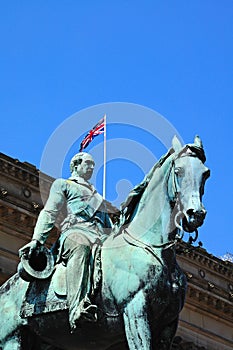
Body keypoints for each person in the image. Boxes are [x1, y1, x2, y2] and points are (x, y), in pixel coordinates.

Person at [19, 152, 113, 332]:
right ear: (76, 165)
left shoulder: (99, 198)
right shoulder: (64, 185)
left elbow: (109, 228)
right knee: (81, 245)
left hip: (99, 238)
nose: (92, 167)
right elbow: (49, 212)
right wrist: (37, 239)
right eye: (88, 163)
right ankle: (77, 308)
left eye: (93, 164)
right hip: (75, 233)